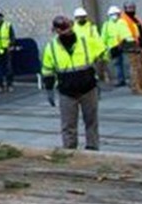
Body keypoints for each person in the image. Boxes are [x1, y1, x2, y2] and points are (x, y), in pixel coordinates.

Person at [41, 15, 105, 150]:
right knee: (68, 126)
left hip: (88, 89)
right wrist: (49, 89)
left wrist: (117, 48)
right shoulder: (51, 48)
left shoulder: (86, 42)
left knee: (91, 122)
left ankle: (92, 148)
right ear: (56, 31)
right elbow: (47, 70)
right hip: (67, 92)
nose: (65, 31)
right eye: (61, 29)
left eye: (67, 28)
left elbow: (103, 52)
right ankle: (70, 152)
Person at [121, 2, 142, 95]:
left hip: (141, 45)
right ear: (125, 9)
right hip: (132, 46)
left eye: (132, 7)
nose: (131, 9)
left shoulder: (136, 18)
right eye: (129, 8)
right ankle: (136, 87)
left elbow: (141, 31)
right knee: (136, 67)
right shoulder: (123, 20)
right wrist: (130, 45)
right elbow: (124, 34)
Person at [100, 5, 133, 87]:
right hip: (113, 47)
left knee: (129, 63)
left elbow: (127, 33)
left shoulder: (122, 22)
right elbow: (103, 37)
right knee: (117, 64)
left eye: (116, 14)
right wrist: (103, 48)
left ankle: (131, 80)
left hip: (124, 46)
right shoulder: (106, 25)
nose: (114, 16)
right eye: (112, 14)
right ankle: (121, 80)